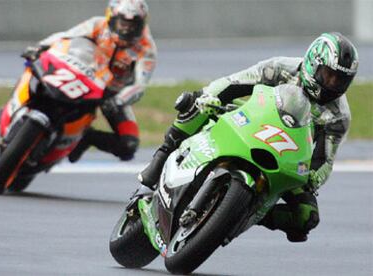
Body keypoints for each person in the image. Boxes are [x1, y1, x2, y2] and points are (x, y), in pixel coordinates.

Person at [138, 32, 359, 242]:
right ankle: (162, 155)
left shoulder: (339, 116)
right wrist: (207, 96)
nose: (332, 84)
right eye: (328, 75)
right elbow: (233, 83)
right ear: (313, 62)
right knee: (197, 104)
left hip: (284, 155)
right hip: (249, 123)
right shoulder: (280, 68)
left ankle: (245, 213)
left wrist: (313, 178)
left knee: (306, 216)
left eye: (340, 80)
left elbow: (326, 159)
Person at [22, 0, 157, 162]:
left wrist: (120, 99)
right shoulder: (98, 25)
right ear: (112, 18)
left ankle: (86, 137)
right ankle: (22, 111)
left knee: (128, 146)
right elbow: (66, 36)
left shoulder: (146, 48)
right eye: (123, 23)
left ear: (142, 24)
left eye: (133, 24)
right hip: (80, 77)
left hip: (111, 95)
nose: (127, 28)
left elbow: (140, 85)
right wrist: (39, 46)